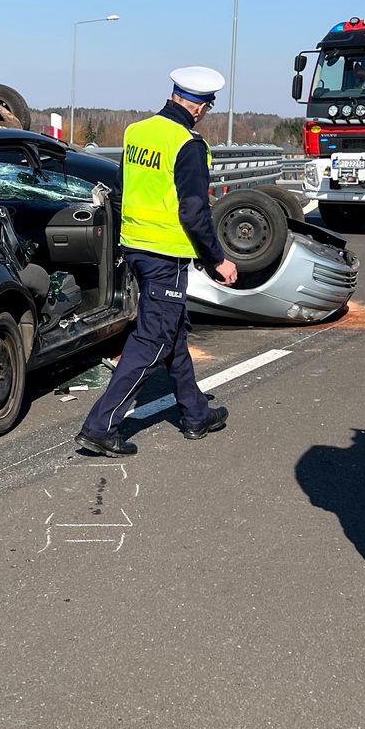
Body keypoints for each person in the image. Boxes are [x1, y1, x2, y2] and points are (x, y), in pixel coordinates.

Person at [74, 67, 238, 458]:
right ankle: (101, 427)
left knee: (174, 330)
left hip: (136, 248)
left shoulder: (137, 133)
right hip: (166, 255)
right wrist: (218, 259)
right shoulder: (188, 145)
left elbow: (119, 193)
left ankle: (195, 414)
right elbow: (195, 213)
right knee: (151, 340)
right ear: (201, 107)